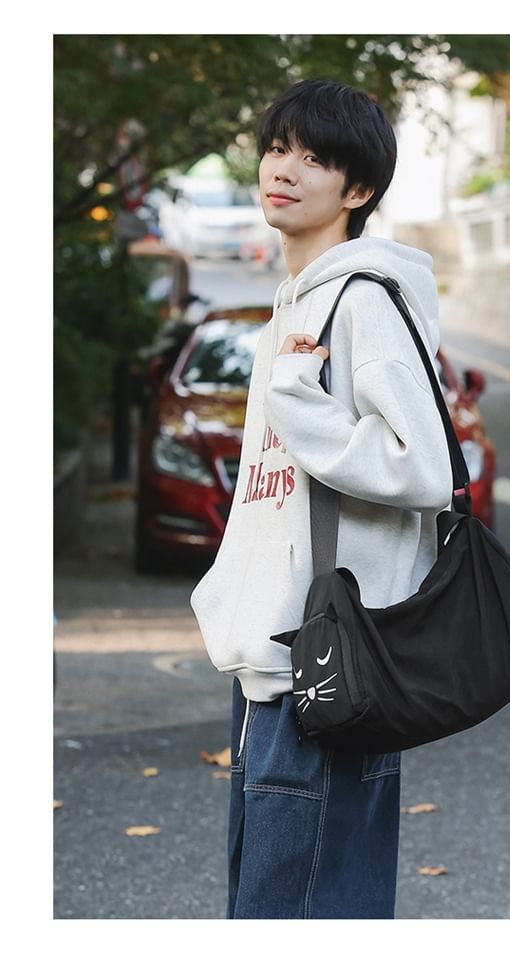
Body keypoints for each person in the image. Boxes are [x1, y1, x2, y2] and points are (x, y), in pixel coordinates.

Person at [190, 77, 454, 919]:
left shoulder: (363, 301)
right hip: (271, 658)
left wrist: (300, 405)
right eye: (278, 149)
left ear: (358, 190)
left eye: (314, 158)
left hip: (331, 661)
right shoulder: (292, 308)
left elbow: (424, 465)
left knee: (297, 913)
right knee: (282, 905)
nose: (285, 169)